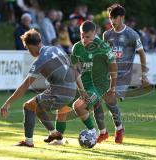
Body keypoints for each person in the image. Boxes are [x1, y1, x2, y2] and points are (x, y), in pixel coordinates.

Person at [0, 29, 77, 147]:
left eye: (27, 48)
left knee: (28, 106)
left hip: (60, 92)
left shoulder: (40, 60)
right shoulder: (56, 48)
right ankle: (55, 135)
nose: (28, 51)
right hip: (72, 89)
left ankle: (28, 142)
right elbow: (73, 68)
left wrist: (7, 102)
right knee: (38, 106)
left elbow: (25, 85)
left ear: (30, 46)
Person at [50, 20, 118, 145]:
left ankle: (92, 133)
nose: (84, 39)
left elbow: (114, 68)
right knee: (62, 107)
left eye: (88, 37)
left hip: (99, 86)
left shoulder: (103, 47)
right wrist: (81, 89)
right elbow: (75, 71)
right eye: (82, 36)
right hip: (83, 84)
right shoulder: (77, 47)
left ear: (95, 33)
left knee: (79, 106)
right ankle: (59, 140)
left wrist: (112, 89)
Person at [94, 4, 149, 144]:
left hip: (123, 76)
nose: (112, 21)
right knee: (95, 100)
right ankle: (105, 132)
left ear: (122, 17)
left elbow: (142, 54)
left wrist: (144, 75)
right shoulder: (107, 35)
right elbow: (103, 54)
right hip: (107, 75)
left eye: (115, 18)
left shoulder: (132, 34)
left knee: (109, 98)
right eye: (110, 18)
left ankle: (118, 129)